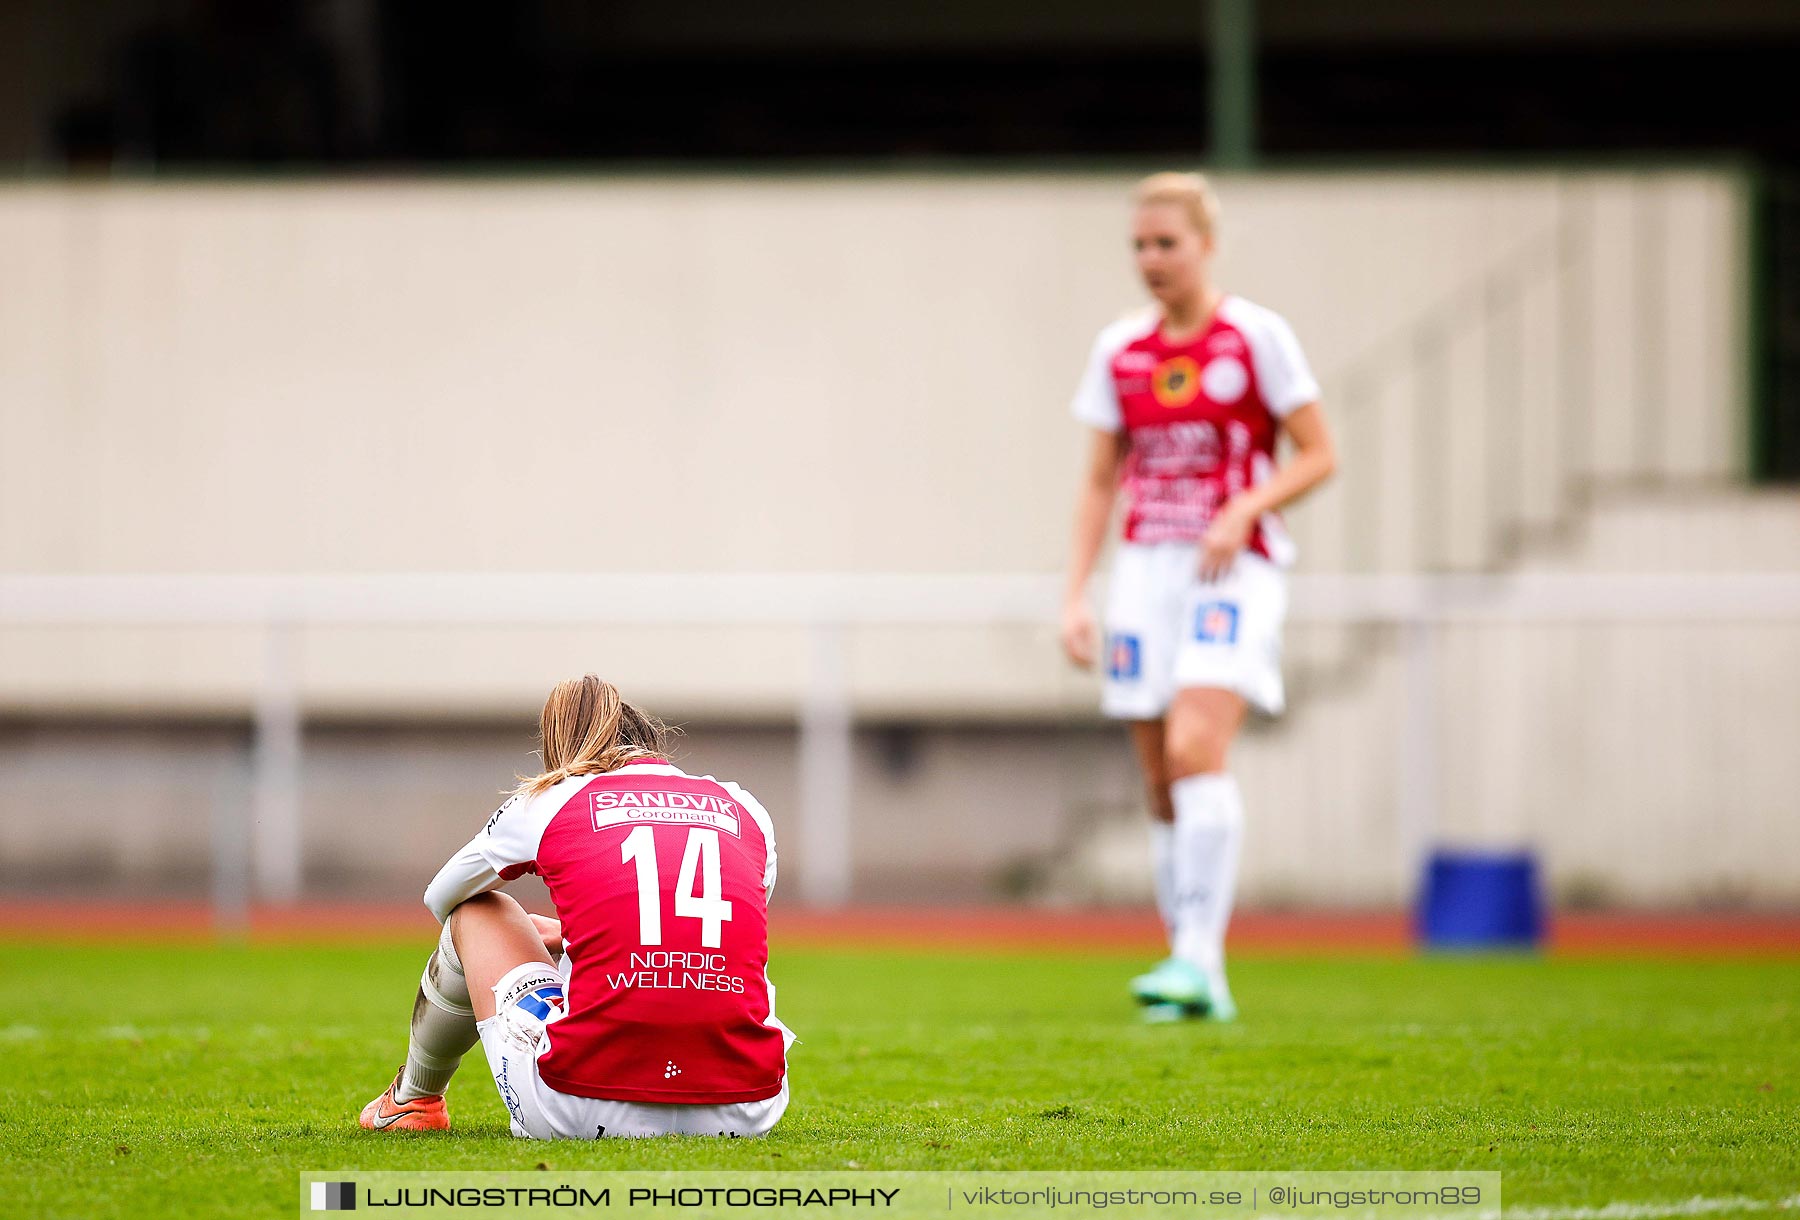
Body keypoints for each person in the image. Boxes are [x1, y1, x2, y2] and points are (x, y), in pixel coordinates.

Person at [1060, 172, 1336, 1022]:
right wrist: (1075, 592)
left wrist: (1244, 507)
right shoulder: (1121, 351)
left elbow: (1319, 452)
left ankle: (1195, 957)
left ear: (1206, 245)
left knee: (1194, 747)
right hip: (1146, 575)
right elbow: (1102, 478)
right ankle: (1194, 971)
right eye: (1140, 245)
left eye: (1167, 243)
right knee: (1158, 777)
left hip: (1233, 570)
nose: (1151, 258)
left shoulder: (1256, 337)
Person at [358, 675, 793, 1138]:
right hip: (747, 1109)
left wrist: (564, 934)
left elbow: (441, 896)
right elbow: (709, 927)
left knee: (477, 910)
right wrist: (576, 934)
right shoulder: (744, 806)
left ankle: (414, 1100)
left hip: (578, 1107)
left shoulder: (551, 798)